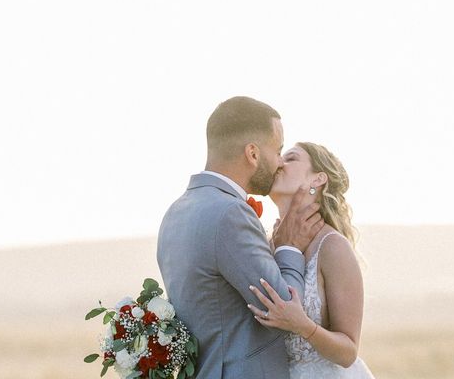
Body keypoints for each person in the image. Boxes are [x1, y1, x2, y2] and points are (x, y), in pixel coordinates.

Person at [157, 97, 324, 378]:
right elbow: (283, 307)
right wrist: (289, 246)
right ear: (253, 153)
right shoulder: (230, 213)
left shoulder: (175, 212)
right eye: (278, 150)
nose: (281, 162)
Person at [247, 142, 376, 378]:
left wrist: (303, 326)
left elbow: (348, 352)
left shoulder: (332, 246)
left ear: (318, 179)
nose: (279, 163)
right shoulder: (264, 242)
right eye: (280, 156)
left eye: (291, 158)